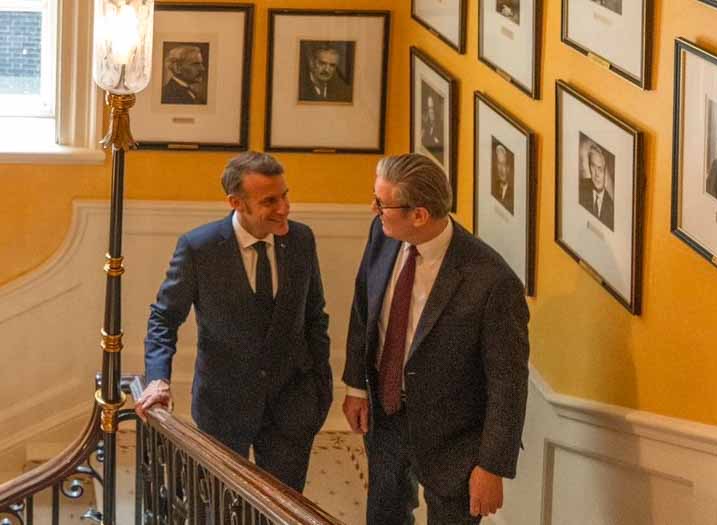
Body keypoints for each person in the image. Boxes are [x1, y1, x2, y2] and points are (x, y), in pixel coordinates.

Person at [343, 153, 529, 524]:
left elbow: (508, 381)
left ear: (419, 215)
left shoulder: (492, 281)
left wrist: (492, 466)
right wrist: (356, 387)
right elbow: (364, 308)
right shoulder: (382, 235)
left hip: (454, 441)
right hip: (386, 419)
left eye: (381, 203)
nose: (374, 209)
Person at [135, 152, 332, 492]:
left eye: (284, 195)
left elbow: (315, 316)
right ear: (236, 203)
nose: (284, 208)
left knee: (282, 506)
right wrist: (157, 379)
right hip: (223, 406)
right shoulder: (199, 248)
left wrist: (320, 389)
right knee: (220, 503)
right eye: (269, 201)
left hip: (292, 405)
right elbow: (164, 319)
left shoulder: (302, 240)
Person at [579, 143, 615, 231]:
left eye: (600, 168)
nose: (596, 174)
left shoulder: (611, 208)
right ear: (589, 167)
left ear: (605, 171)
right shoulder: (580, 187)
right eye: (593, 167)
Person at [491, 143, 515, 215]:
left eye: (504, 164)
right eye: (499, 164)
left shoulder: (513, 193)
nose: (501, 170)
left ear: (509, 168)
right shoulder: (494, 187)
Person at [420, 94, 444, 165]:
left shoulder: (441, 129)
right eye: (429, 108)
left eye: (433, 108)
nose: (431, 112)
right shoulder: (425, 128)